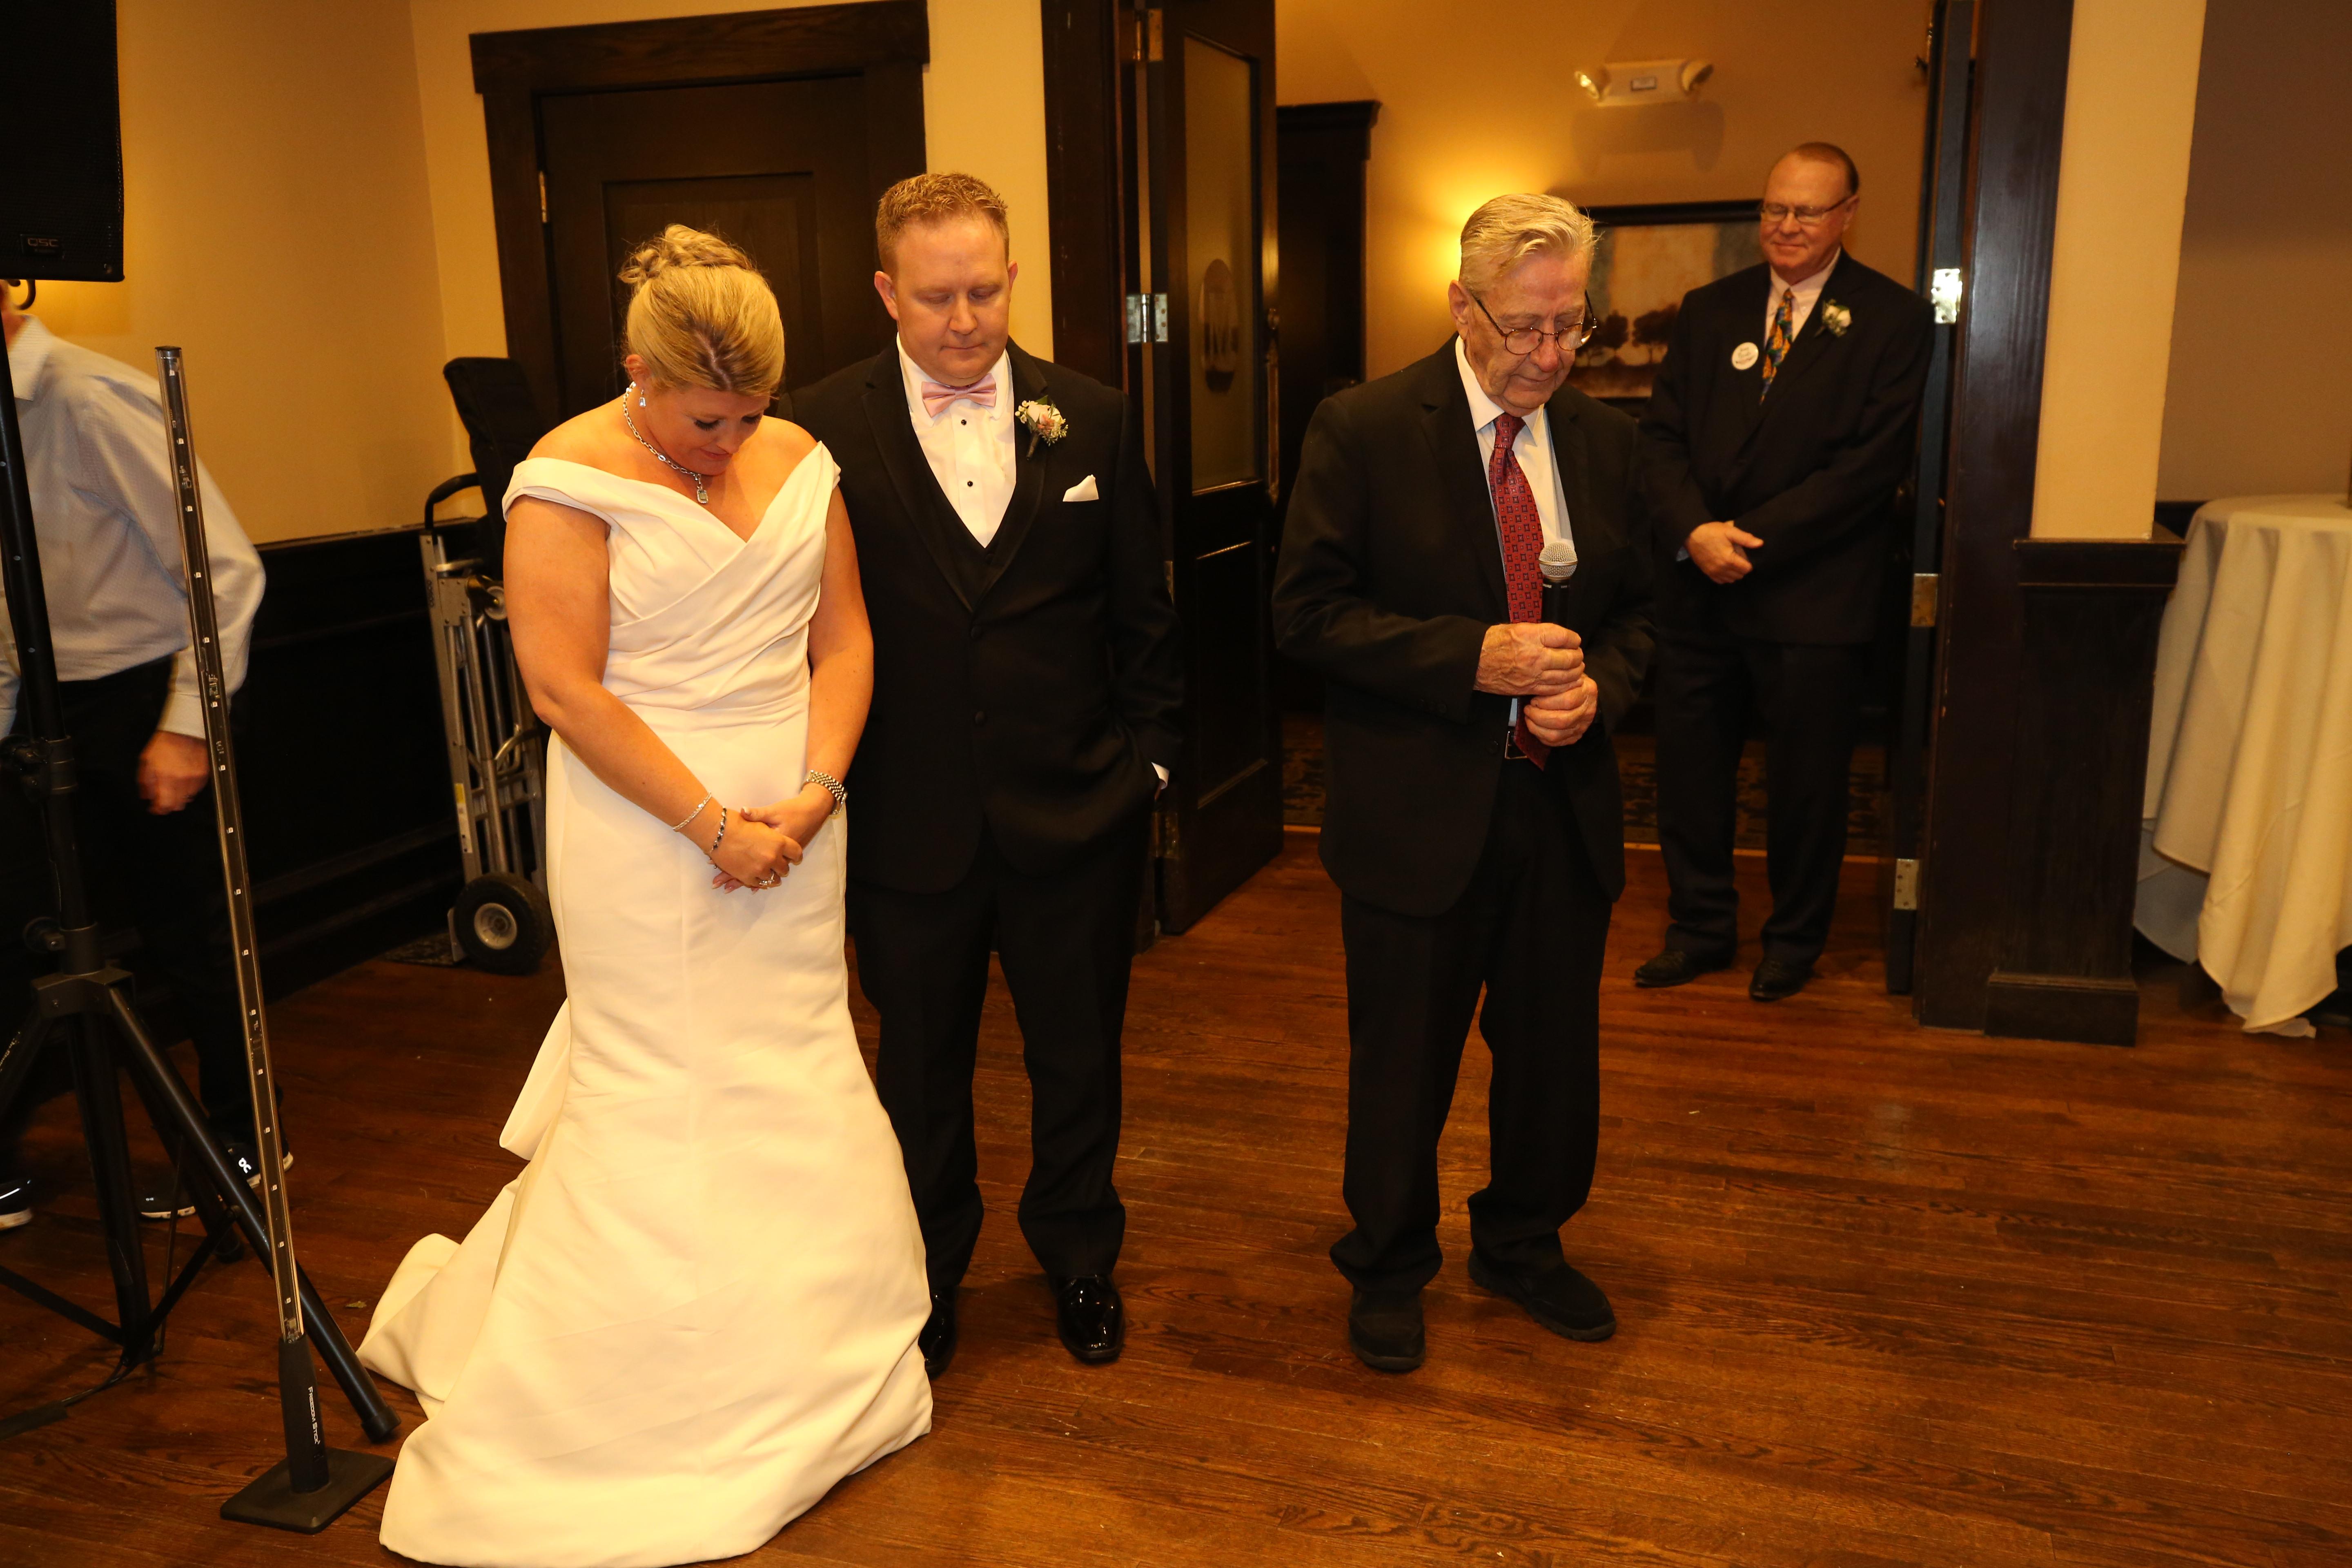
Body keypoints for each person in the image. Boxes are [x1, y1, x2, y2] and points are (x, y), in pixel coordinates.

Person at [356, 227, 930, 1567]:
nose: (732, 439)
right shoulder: (564, 477)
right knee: (664, 1088)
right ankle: (645, 1391)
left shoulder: (801, 459)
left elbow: (843, 639)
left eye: (752, 413)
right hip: (643, 835)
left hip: (796, 825)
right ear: (638, 372)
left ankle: (811, 1367)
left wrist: (817, 790)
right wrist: (711, 826)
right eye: (703, 416)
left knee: (794, 1069)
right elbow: (565, 691)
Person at [787, 174, 1182, 1376]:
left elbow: (1145, 619)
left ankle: (1077, 1256)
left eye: (985, 290)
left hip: (1075, 815)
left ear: (1012, 276)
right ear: (885, 292)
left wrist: (1149, 772)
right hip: (907, 827)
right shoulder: (816, 431)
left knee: (1079, 1056)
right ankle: (928, 1272)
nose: (965, 319)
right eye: (937, 296)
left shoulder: (1095, 417)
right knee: (920, 1072)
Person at [1272, 194, 1654, 1372]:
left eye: (1569, 326)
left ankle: (1524, 1243)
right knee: (1403, 1061)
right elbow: (1306, 617)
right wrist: (1471, 660)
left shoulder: (1603, 441)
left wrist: (1607, 693)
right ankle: (1388, 1262)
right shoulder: (1367, 427)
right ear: (1462, 304)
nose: (1547, 354)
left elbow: (1646, 623)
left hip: (1561, 809)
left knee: (1552, 1060)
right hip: (1418, 814)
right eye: (1524, 327)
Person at [1633, 143, 1933, 1002]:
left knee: (1807, 789)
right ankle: (1699, 930)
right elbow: (1660, 439)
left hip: (1812, 596)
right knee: (1691, 777)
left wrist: (1746, 540)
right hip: (1699, 589)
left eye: (1806, 211)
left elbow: (1868, 469)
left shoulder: (1891, 319)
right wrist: (1694, 531)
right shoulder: (1708, 308)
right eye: (1773, 210)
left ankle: (1794, 943)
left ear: (1848, 214)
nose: (1786, 227)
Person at [0, 283, 265, 1232]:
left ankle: (239, 1148)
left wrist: (188, 727)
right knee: (25, 930)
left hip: (145, 695)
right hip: (43, 699)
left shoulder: (86, 398)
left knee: (185, 939)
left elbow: (223, 568)